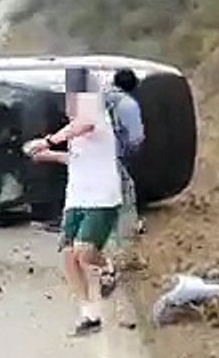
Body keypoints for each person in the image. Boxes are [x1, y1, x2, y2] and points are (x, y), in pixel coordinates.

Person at [24, 67, 123, 337]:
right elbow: (77, 160)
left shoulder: (97, 119)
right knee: (69, 258)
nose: (70, 104)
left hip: (101, 199)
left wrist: (48, 140)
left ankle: (107, 267)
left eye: (74, 98)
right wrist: (49, 156)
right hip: (76, 199)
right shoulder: (77, 134)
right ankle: (89, 314)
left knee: (84, 252)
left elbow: (85, 124)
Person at [100, 68, 145, 290]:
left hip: (91, 163)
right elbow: (136, 139)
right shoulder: (127, 105)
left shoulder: (99, 99)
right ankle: (125, 258)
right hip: (113, 162)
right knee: (125, 208)